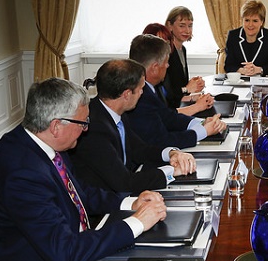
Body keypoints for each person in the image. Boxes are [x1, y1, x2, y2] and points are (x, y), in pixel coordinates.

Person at [0, 78, 168, 261]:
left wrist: (131, 203)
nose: (86, 129)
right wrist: (137, 223)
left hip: (66, 259)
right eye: (82, 122)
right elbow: (66, 251)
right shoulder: (22, 172)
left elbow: (79, 195)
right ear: (56, 126)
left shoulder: (45, 144)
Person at [69, 59, 197, 195]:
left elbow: (140, 149)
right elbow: (124, 182)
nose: (143, 93)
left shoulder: (116, 112)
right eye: (141, 89)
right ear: (127, 94)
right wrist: (172, 171)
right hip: (106, 207)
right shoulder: (94, 128)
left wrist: (172, 153)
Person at [126, 34, 227, 148]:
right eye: (166, 62)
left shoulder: (152, 87)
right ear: (154, 67)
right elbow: (161, 141)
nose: (168, 66)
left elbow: (169, 117)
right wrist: (204, 131)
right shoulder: (139, 96)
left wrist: (202, 123)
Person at [142, 23, 214, 116]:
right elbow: (165, 115)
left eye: (167, 43)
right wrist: (196, 104)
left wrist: (194, 99)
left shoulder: (160, 74)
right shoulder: (142, 84)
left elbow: (169, 101)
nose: (164, 48)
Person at [161, 6, 205, 109]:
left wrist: (194, 84)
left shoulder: (182, 49)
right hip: (170, 109)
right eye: (182, 26)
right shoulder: (166, 51)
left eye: (190, 26)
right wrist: (187, 89)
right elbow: (166, 93)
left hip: (179, 104)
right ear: (169, 25)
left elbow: (178, 84)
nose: (187, 30)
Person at [224, 0, 268, 76]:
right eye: (247, 20)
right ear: (242, 20)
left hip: (262, 82)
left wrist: (258, 69)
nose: (250, 25)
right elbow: (228, 66)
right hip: (239, 81)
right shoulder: (233, 36)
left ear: (262, 22)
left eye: (255, 21)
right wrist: (243, 70)